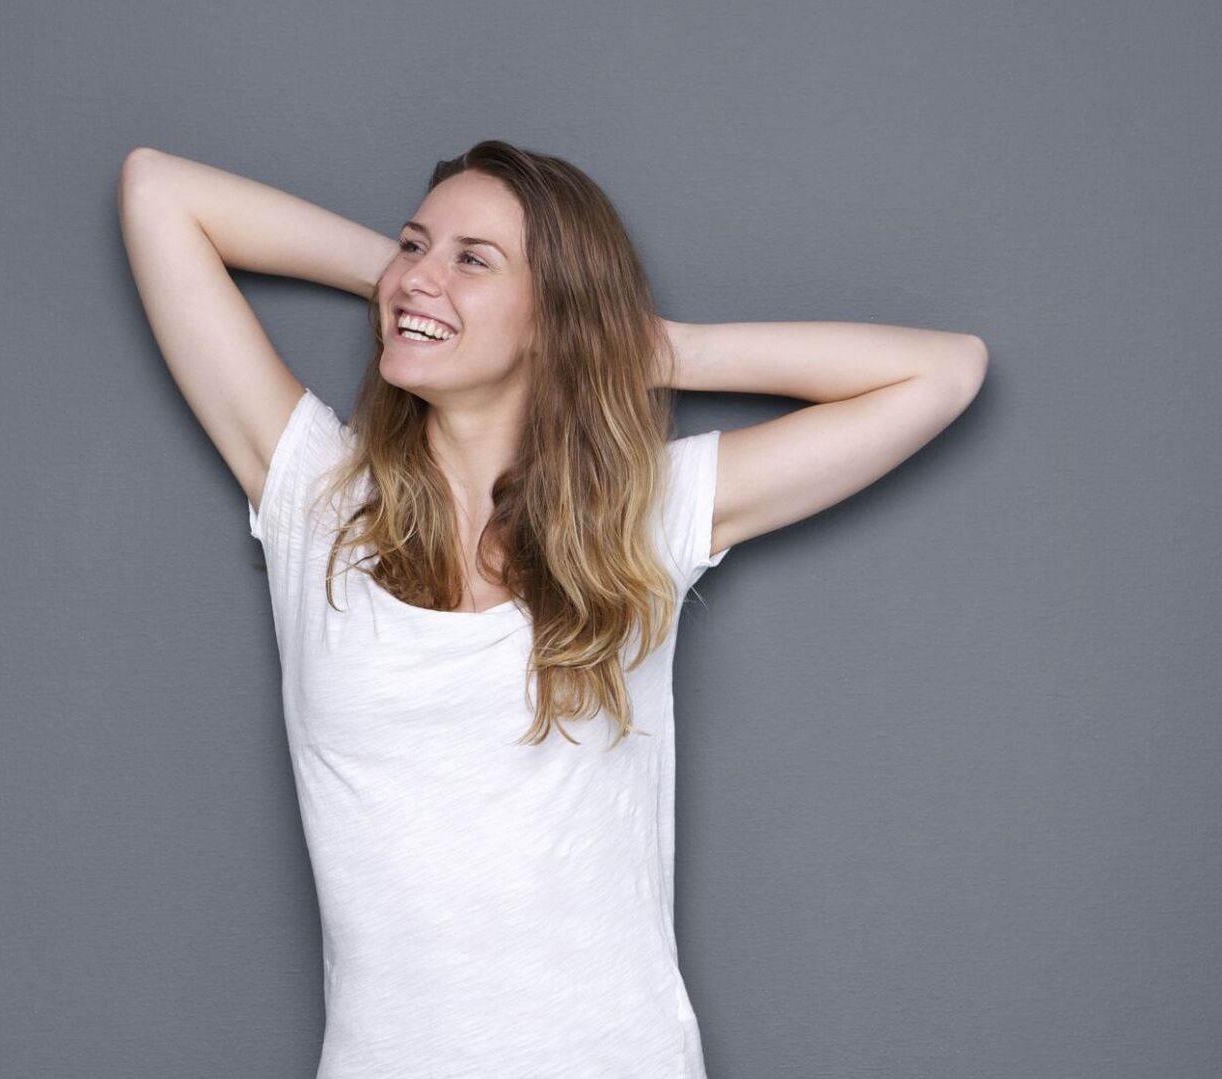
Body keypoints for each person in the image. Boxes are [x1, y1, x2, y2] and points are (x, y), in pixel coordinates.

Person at [116, 140, 985, 1077]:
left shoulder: (638, 517)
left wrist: (650, 346)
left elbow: (944, 373)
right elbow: (158, 191)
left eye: (474, 258)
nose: (422, 271)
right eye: (414, 242)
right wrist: (409, 289)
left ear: (556, 312)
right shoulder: (321, 502)